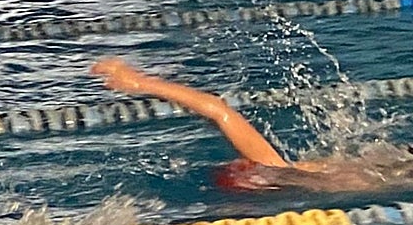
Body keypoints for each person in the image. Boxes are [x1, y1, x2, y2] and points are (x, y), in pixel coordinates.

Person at [92, 57, 413, 193]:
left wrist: (142, 84)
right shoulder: (289, 173)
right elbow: (218, 114)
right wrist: (141, 83)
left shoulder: (281, 171)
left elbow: (219, 113)